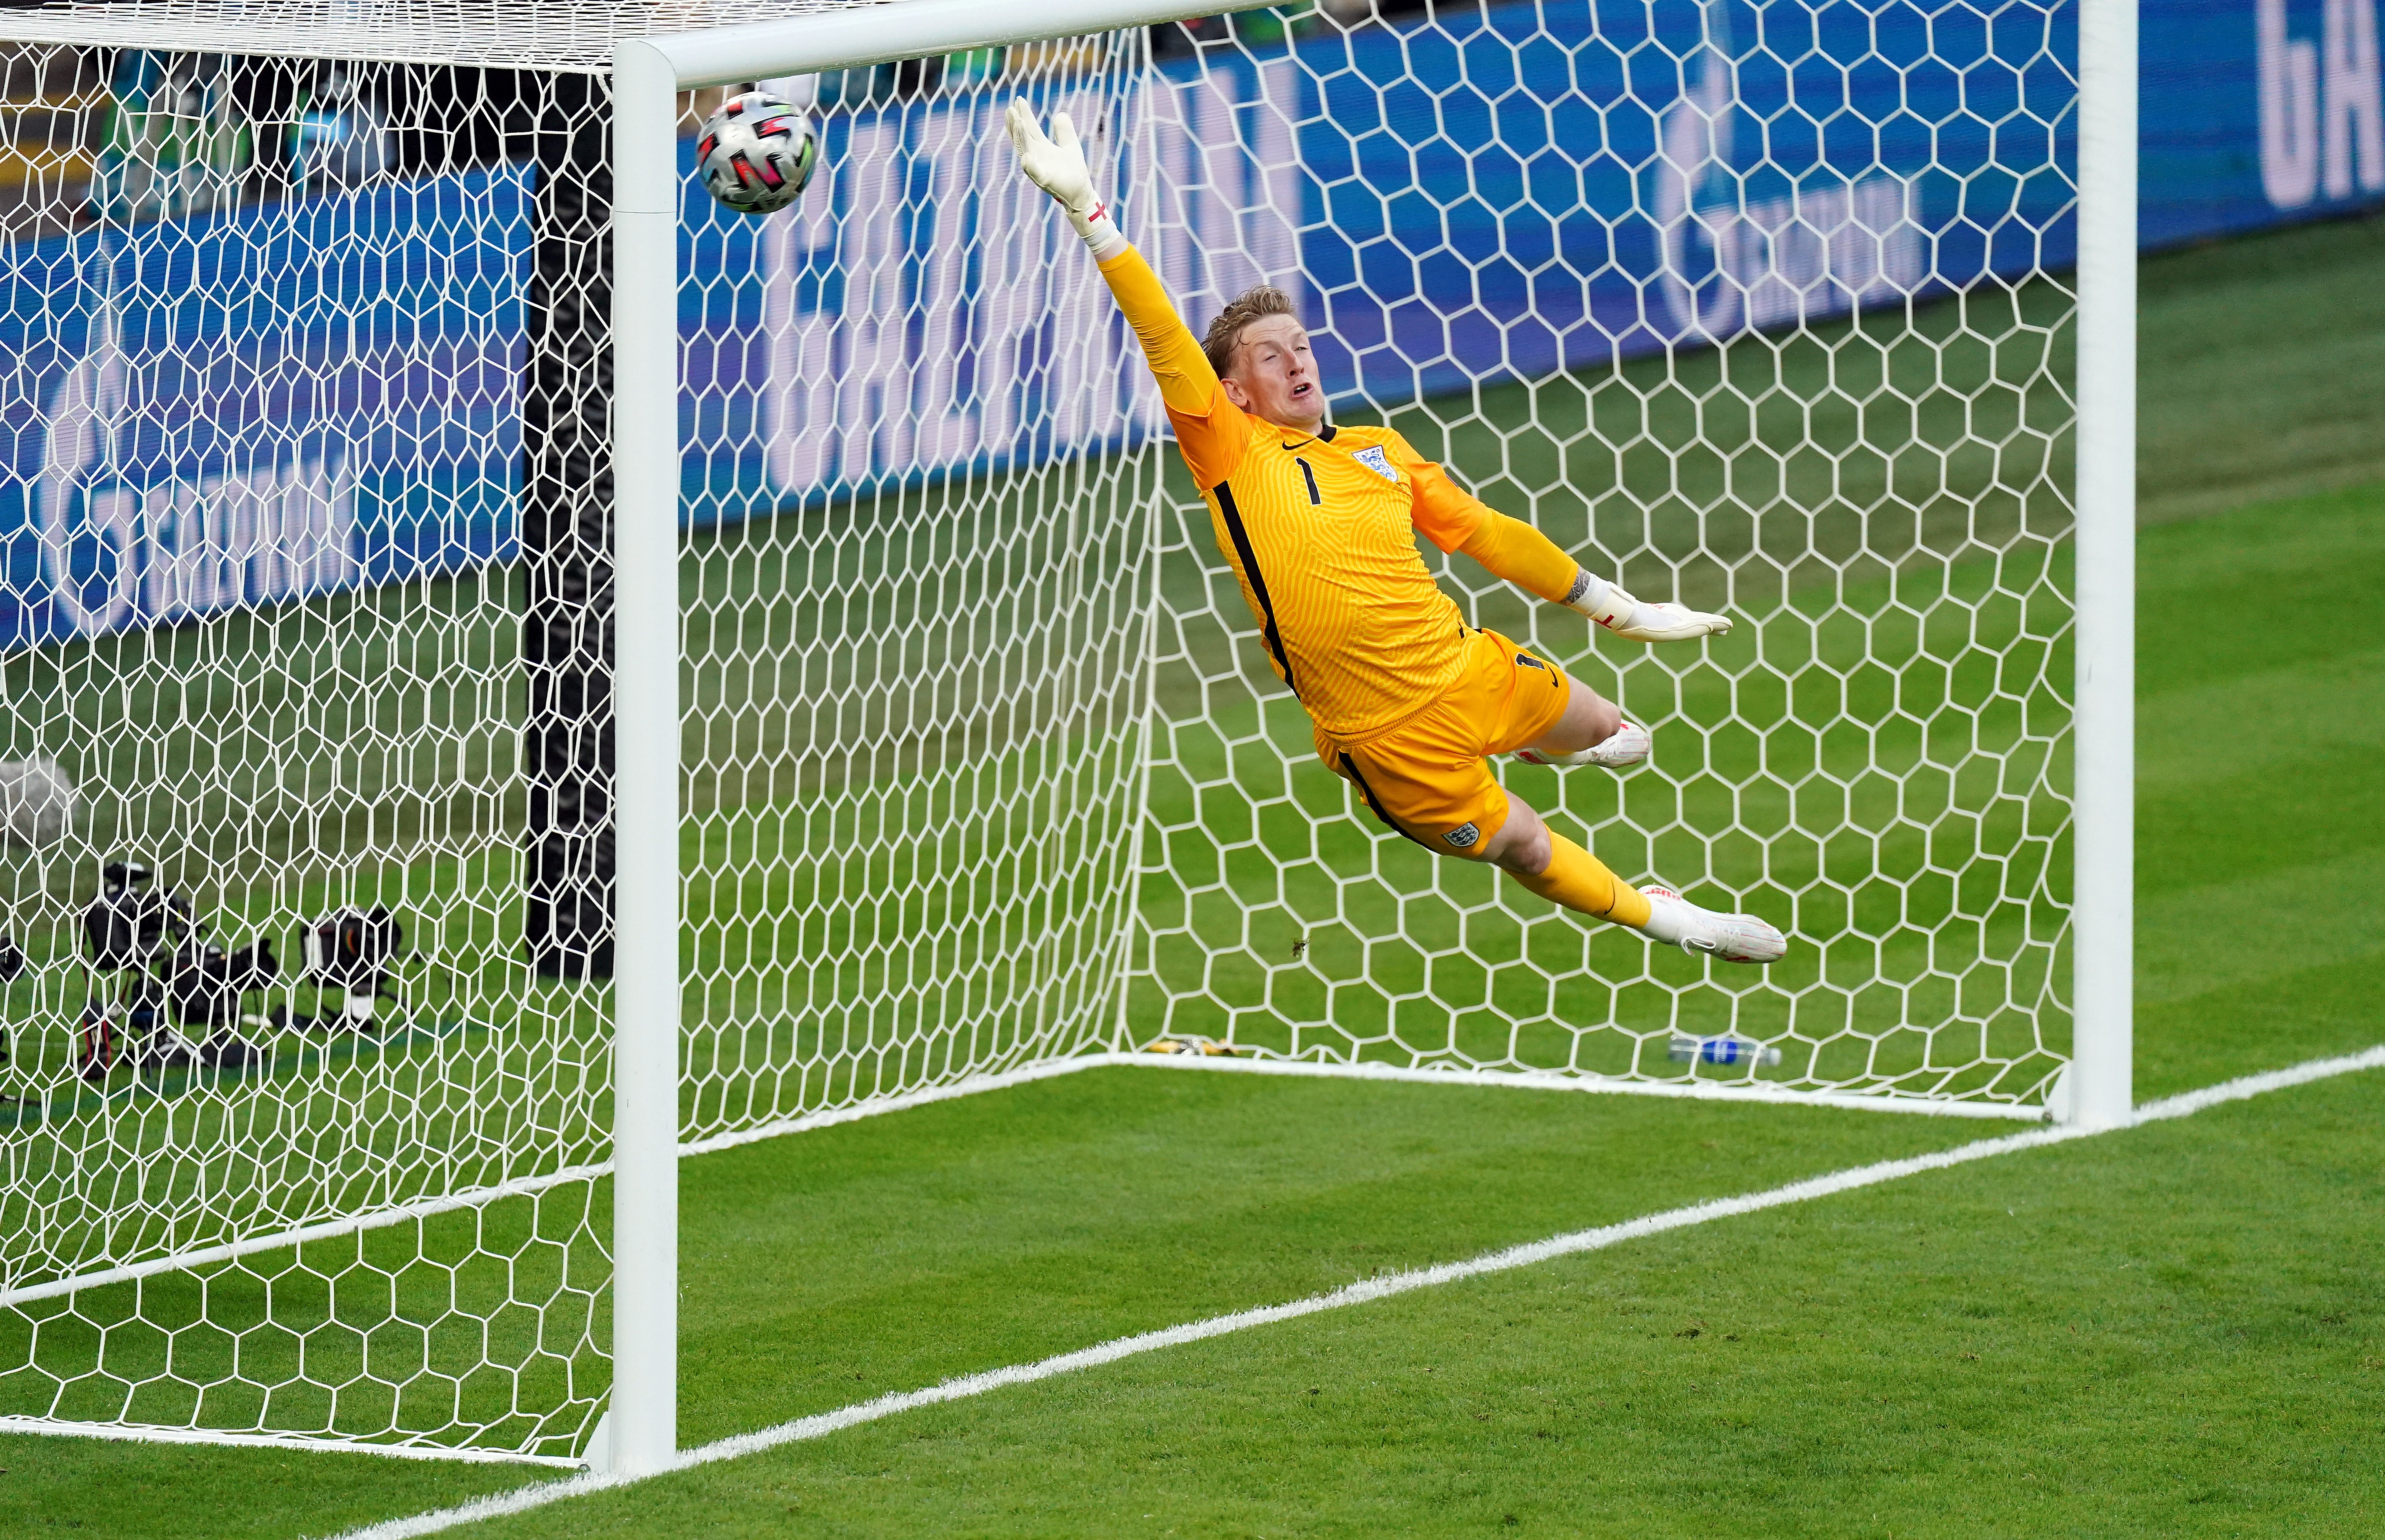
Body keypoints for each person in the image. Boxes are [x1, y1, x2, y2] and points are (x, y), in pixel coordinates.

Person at [1007, 104, 1785, 963]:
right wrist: (1091, 216)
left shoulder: (1380, 450)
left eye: (1301, 345)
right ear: (1234, 393)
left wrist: (1621, 611)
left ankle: (1544, 744)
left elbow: (1487, 533)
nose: (1297, 361)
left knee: (1618, 735)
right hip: (1387, 738)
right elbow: (1162, 336)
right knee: (1525, 848)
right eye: (1270, 356)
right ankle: (1674, 920)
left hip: (1468, 667)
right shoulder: (1228, 450)